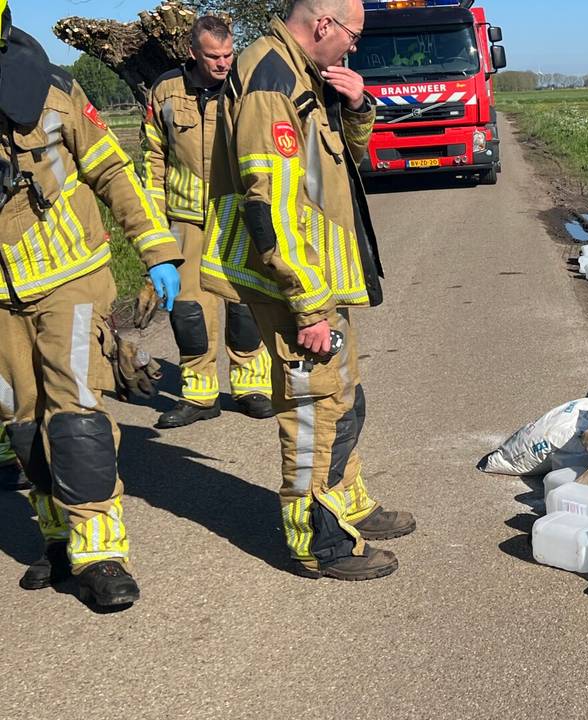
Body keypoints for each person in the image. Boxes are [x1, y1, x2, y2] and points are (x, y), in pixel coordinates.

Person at [203, 0, 415, 581]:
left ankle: (346, 502)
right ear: (323, 24)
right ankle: (315, 540)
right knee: (314, 407)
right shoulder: (271, 80)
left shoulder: (303, 72)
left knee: (344, 395)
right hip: (294, 286)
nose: (353, 48)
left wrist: (358, 104)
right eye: (352, 35)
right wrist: (308, 305)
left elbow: (344, 163)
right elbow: (269, 208)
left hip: (317, 277)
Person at [0, 1, 182, 606]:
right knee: (20, 422)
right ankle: (58, 541)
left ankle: (100, 552)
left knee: (76, 413)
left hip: (71, 274)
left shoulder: (52, 89)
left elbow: (111, 170)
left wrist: (156, 249)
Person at [141, 16, 275, 428]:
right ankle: (199, 394)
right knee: (188, 311)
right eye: (213, 56)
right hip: (184, 217)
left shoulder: (245, 85)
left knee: (242, 306)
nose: (222, 63)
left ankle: (252, 386)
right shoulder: (165, 90)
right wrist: (153, 223)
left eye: (227, 54)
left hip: (234, 211)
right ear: (192, 53)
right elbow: (154, 159)